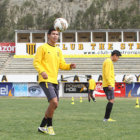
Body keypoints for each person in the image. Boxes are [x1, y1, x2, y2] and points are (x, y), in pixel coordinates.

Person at [33, 28, 76, 135]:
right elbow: (36, 62)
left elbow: (62, 65)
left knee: (54, 105)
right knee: (54, 102)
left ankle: (42, 126)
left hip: (54, 80)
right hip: (45, 80)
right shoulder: (42, 48)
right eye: (53, 34)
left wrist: (69, 66)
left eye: (57, 34)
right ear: (48, 35)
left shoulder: (58, 50)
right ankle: (50, 126)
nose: (55, 36)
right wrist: (42, 71)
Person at [102, 50, 121, 122]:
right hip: (108, 84)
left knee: (111, 100)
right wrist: (110, 83)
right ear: (115, 55)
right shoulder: (108, 61)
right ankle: (106, 118)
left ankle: (106, 118)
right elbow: (107, 74)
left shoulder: (108, 61)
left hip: (108, 84)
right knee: (111, 100)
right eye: (118, 57)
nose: (118, 59)